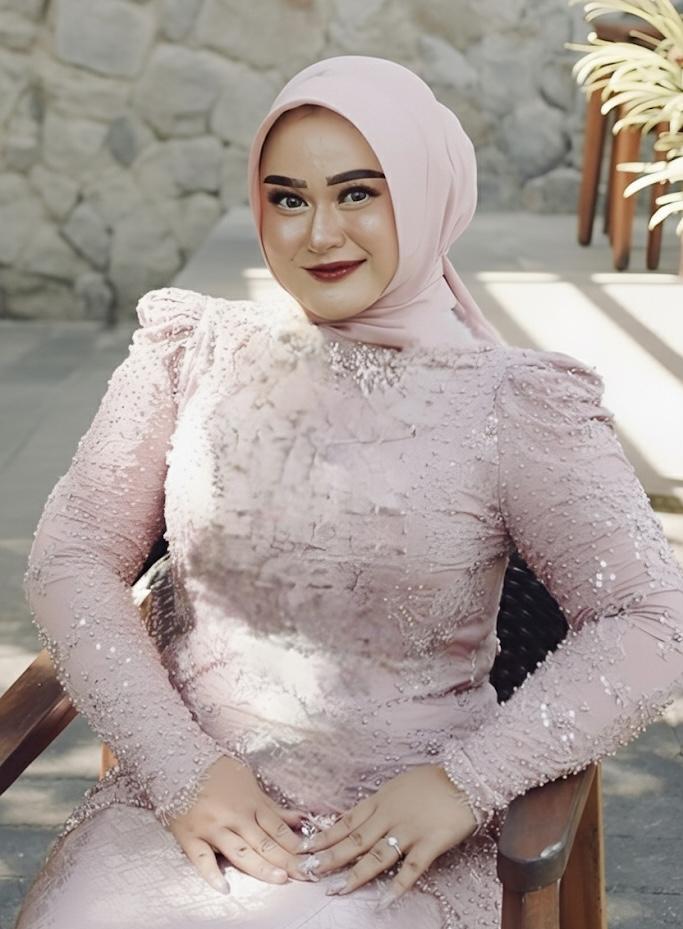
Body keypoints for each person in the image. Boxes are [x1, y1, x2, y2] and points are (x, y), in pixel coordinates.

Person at [13, 55, 683, 929]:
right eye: (287, 199)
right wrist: (182, 770)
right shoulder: (187, 353)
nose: (319, 233)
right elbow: (71, 559)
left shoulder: (514, 404)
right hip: (180, 817)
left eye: (358, 193)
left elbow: (652, 617)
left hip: (398, 846)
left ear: (428, 191)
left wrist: (463, 783)